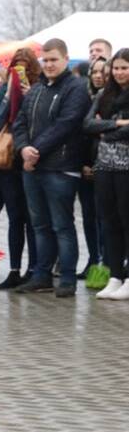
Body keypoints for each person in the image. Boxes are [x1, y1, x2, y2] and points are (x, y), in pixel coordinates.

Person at [11, 38, 91, 297]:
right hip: (32, 167)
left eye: (54, 59)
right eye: (45, 60)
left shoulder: (76, 88)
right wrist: (23, 148)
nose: (49, 64)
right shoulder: (35, 90)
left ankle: (67, 277)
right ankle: (42, 275)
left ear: (66, 59)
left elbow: (66, 124)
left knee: (62, 225)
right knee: (40, 226)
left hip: (61, 167)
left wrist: (35, 150)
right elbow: (20, 122)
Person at [0, 48, 41, 290]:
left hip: (32, 158)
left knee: (33, 218)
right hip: (7, 160)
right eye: (16, 65)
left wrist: (29, 95)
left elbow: (42, 122)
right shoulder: (4, 89)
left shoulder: (40, 89)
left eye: (25, 66)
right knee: (15, 218)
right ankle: (14, 269)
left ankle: (34, 269)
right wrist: (8, 93)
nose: (20, 70)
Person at [84, 47, 129, 300]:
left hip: (127, 168)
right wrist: (119, 123)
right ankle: (114, 275)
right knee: (109, 221)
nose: (119, 72)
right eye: (117, 67)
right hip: (104, 166)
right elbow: (88, 124)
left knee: (126, 220)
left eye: (125, 67)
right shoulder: (104, 94)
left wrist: (106, 130)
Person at [78, 57, 109, 278]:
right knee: (88, 217)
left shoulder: (112, 100)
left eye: (102, 72)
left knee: (106, 218)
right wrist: (82, 165)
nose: (98, 75)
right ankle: (92, 259)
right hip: (84, 166)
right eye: (94, 72)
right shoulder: (82, 98)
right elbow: (82, 129)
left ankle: (108, 262)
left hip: (107, 167)